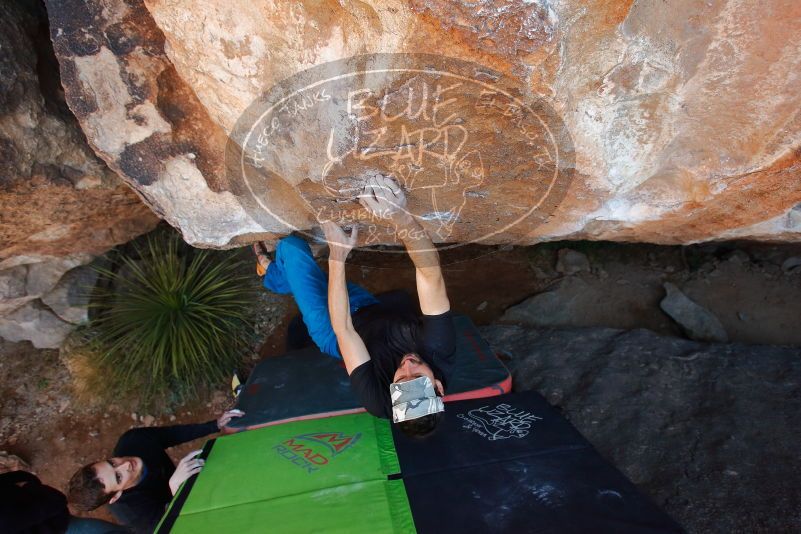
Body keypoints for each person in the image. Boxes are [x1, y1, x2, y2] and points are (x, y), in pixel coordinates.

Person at [255, 175, 455, 437]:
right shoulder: (439, 351)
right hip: (369, 308)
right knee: (314, 280)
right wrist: (400, 215)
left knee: (293, 249)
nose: (407, 365)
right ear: (438, 386)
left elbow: (344, 330)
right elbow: (431, 276)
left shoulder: (377, 402)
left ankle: (271, 273)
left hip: (332, 327)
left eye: (400, 379)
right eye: (416, 376)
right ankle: (284, 279)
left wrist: (338, 254)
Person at [66, 410, 243, 533]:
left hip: (191, 485)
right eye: (118, 477)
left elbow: (171, 434)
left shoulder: (132, 440)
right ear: (115, 497)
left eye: (112, 463)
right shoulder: (132, 514)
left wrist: (215, 425)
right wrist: (175, 490)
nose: (126, 464)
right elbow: (170, 527)